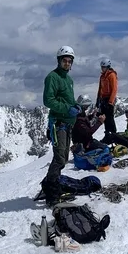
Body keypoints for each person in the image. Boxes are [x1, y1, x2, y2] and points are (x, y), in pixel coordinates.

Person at [40, 46, 79, 205]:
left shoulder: (68, 80)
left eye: (70, 61)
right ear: (59, 61)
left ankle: (50, 185)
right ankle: (52, 194)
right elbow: (48, 100)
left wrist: (75, 106)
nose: (67, 63)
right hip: (58, 123)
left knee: (64, 158)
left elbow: (67, 99)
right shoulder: (53, 77)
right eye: (65, 60)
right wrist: (66, 109)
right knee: (60, 159)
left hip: (67, 123)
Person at [97, 58, 118, 137]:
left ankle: (114, 135)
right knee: (105, 118)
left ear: (108, 67)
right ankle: (107, 135)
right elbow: (100, 89)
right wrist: (98, 100)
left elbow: (114, 89)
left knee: (110, 118)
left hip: (109, 99)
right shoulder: (102, 77)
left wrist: (110, 102)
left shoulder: (112, 75)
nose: (102, 69)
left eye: (104, 67)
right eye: (102, 67)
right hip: (103, 99)